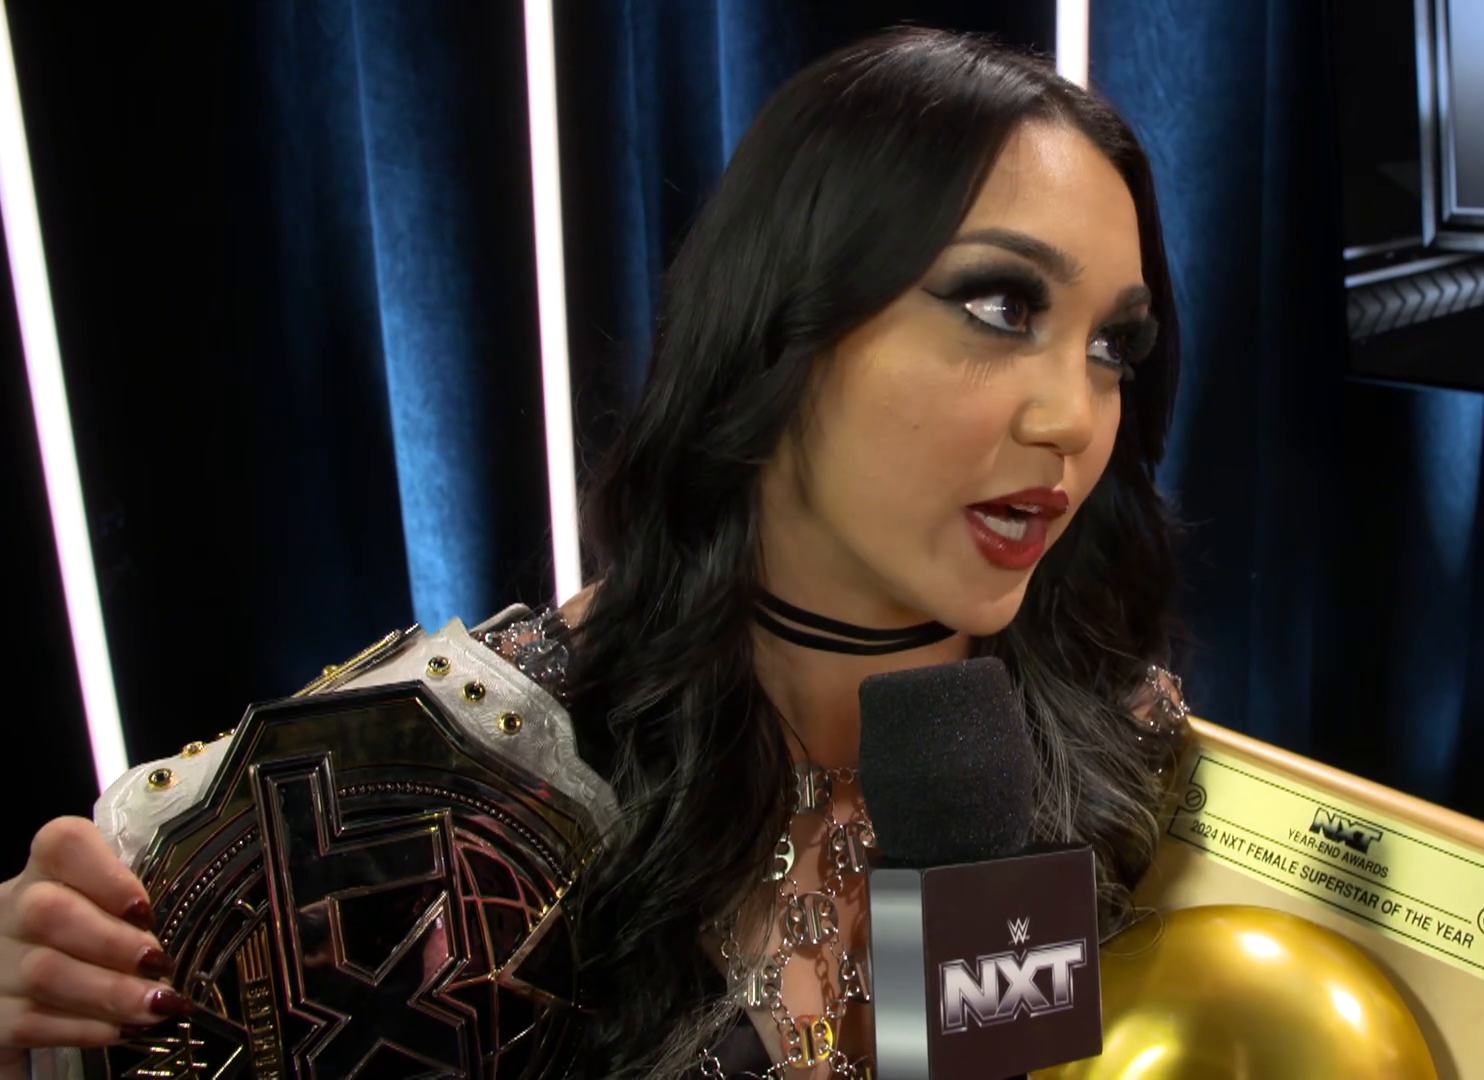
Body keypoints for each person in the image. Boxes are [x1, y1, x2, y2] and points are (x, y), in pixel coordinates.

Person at [0, 28, 1189, 1080]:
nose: (1073, 420)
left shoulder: (1128, 762)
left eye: (1112, 349)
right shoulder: (420, 816)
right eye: (1001, 308)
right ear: (781, 316)